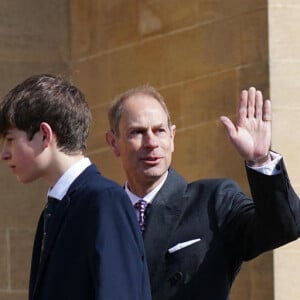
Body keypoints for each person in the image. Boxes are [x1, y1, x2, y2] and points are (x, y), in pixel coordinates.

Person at [105, 85, 300, 300]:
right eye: (137, 132)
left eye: (159, 130)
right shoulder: (101, 218)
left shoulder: (214, 201)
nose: (151, 142)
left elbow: (283, 228)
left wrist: (260, 160)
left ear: (172, 137)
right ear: (114, 143)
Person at [0, 74, 151, 300]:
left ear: (45, 135)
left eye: (10, 139)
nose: (4, 153)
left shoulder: (104, 200)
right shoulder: (53, 212)